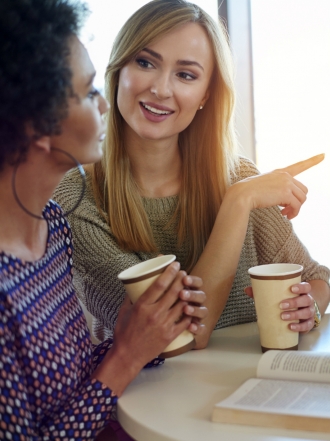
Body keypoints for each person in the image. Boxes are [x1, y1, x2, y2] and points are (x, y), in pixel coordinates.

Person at [54, 0, 330, 349]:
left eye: (185, 74)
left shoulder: (239, 176)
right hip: (151, 402)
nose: (161, 89)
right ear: (118, 69)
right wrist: (237, 203)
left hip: (249, 392)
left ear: (205, 95)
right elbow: (179, 337)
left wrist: (307, 309)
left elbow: (317, 278)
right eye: (145, 62)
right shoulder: (76, 198)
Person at [0, 1, 208, 440]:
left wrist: (140, 334)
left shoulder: (52, 226)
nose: (104, 105)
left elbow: (72, 386)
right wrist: (127, 357)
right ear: (37, 121)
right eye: (89, 91)